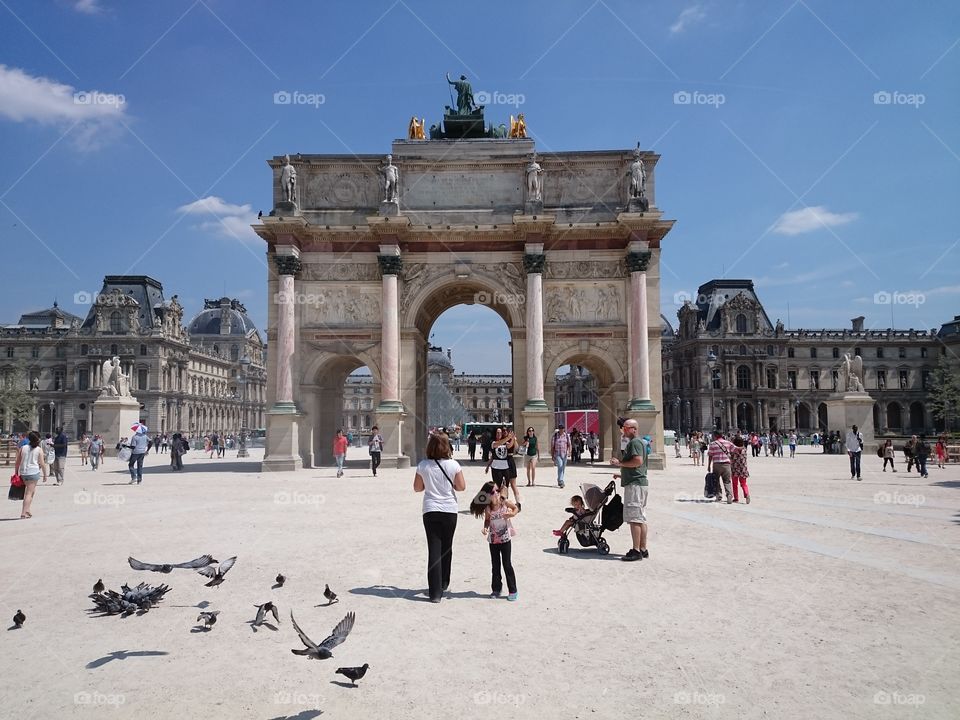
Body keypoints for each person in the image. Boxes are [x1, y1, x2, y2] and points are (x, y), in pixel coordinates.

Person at [413, 432, 466, 603]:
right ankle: (444, 582)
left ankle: (435, 593)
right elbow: (461, 487)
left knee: (433, 549)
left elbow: (417, 488)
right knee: (447, 547)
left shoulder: (423, 465)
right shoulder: (453, 465)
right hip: (449, 510)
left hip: (430, 510)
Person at [469, 480, 519, 601]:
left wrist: (511, 514)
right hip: (493, 540)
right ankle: (496, 589)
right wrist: (485, 528)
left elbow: (515, 508)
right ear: (487, 495)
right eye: (493, 491)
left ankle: (513, 590)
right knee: (495, 565)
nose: (496, 493)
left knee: (507, 564)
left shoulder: (503, 501)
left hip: (505, 539)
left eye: (497, 490)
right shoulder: (487, 507)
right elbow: (487, 520)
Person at [610, 418, 649, 561]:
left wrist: (619, 463)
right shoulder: (640, 443)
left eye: (626, 428)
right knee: (641, 518)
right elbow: (639, 466)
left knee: (634, 519)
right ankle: (643, 549)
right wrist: (622, 475)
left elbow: (637, 461)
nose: (623, 430)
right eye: (623, 428)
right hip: (638, 482)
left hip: (635, 485)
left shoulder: (635, 443)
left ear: (634, 429)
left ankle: (636, 550)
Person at [14, 431, 48, 519]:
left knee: (31, 491)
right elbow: (42, 463)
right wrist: (45, 474)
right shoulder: (39, 449)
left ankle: (28, 510)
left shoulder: (23, 448)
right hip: (33, 473)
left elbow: (17, 462)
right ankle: (23, 512)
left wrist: (16, 472)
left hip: (24, 473)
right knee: (28, 493)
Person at [706, 431, 736, 503]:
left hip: (716, 464)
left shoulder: (712, 444)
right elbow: (734, 451)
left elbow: (710, 455)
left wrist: (709, 465)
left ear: (716, 435)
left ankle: (719, 496)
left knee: (716, 481)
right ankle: (729, 496)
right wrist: (732, 460)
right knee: (727, 481)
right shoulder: (728, 443)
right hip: (726, 464)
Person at [730, 436, 751, 503]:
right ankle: (746, 494)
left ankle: (736, 498)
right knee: (743, 484)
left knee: (734, 484)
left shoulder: (733, 451)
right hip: (743, 469)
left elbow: (730, 458)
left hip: (735, 469)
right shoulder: (744, 450)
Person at [550, 424, 571, 489]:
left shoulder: (566, 436)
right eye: (560, 428)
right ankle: (561, 480)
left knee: (563, 468)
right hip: (557, 454)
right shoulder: (555, 436)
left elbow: (569, 445)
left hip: (564, 454)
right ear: (558, 429)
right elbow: (552, 446)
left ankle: (559, 480)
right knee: (560, 466)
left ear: (564, 429)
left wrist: (569, 452)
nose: (561, 429)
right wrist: (552, 455)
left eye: (562, 428)